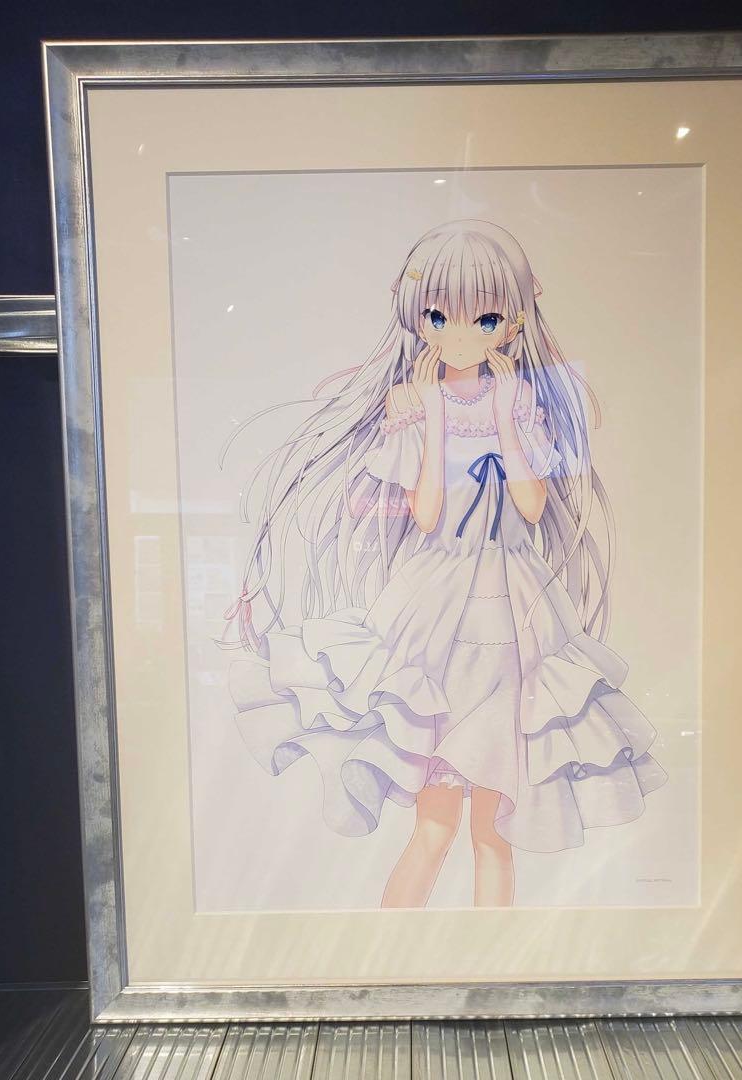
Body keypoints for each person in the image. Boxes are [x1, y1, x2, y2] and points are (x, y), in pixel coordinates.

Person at [222, 218, 668, 909]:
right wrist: (432, 417)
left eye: (484, 317)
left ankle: (488, 961)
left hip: (516, 611)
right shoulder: (410, 403)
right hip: (436, 607)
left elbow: (530, 506)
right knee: (433, 830)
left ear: (512, 322)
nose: (461, 333)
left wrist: (509, 415)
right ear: (416, 317)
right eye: (439, 315)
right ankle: (397, 957)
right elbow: (426, 515)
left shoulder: (525, 399)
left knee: (493, 834)